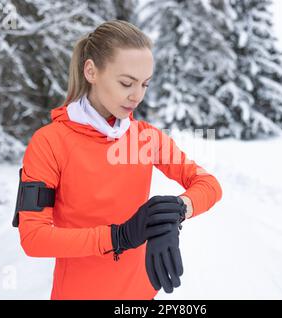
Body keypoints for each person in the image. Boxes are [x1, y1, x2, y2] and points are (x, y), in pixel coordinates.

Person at [15, 20, 222, 300]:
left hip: (141, 295)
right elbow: (34, 239)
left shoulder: (145, 138)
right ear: (91, 71)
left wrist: (176, 210)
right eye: (126, 83)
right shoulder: (49, 142)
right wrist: (118, 237)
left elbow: (208, 184)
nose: (137, 96)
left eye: (145, 84)